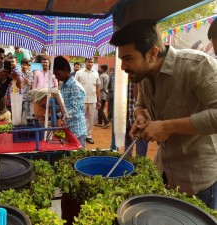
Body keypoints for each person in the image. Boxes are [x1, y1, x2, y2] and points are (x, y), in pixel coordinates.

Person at [110, 19, 217, 209]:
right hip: (164, 173)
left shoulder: (197, 66)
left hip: (199, 182)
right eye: (121, 60)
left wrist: (167, 127)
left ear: (152, 54)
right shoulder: (144, 75)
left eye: (128, 58)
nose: (123, 67)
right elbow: (140, 105)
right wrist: (141, 115)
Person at [53, 56, 87, 147]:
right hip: (69, 127)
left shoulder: (75, 87)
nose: (56, 77)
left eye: (57, 74)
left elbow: (74, 110)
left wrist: (58, 115)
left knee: (79, 157)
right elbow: (65, 105)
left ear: (65, 70)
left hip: (77, 130)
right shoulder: (64, 85)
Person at [75, 58, 101, 144]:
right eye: (88, 62)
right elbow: (75, 86)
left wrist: (99, 100)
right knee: (80, 118)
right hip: (81, 100)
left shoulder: (96, 74)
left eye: (92, 62)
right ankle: (79, 135)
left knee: (91, 119)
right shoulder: (79, 73)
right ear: (85, 62)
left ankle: (88, 135)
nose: (90, 63)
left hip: (93, 100)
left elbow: (97, 87)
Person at [95, 64, 110, 128]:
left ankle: (106, 122)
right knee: (101, 108)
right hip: (105, 94)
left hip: (101, 94)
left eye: (100, 68)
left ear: (103, 69)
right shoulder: (107, 75)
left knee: (100, 108)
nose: (99, 69)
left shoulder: (101, 76)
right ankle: (99, 122)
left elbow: (100, 87)